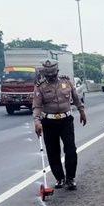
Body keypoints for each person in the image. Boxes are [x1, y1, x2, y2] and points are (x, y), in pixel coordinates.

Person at [33, 59, 87, 191]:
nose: (51, 76)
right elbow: (37, 106)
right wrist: (37, 122)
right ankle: (59, 178)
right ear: (44, 74)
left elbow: (75, 98)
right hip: (49, 122)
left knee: (70, 150)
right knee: (53, 152)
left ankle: (70, 178)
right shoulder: (40, 87)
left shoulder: (66, 82)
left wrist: (81, 111)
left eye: (53, 73)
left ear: (57, 71)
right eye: (48, 74)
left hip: (66, 121)